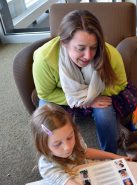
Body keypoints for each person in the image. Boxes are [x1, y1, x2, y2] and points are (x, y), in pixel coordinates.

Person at [32, 9, 128, 153]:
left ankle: (110, 154)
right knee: (46, 116)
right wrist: (87, 99)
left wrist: (91, 97)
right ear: (64, 43)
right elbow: (45, 94)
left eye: (94, 48)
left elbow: (120, 83)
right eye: (80, 48)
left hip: (97, 93)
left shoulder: (110, 54)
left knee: (105, 114)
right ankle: (59, 158)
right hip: (61, 95)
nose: (88, 56)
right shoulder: (44, 58)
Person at [30, 103, 128, 185]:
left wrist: (115, 157)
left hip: (90, 174)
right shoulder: (47, 167)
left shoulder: (73, 135)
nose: (67, 148)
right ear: (42, 145)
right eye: (57, 144)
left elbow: (85, 152)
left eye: (69, 137)